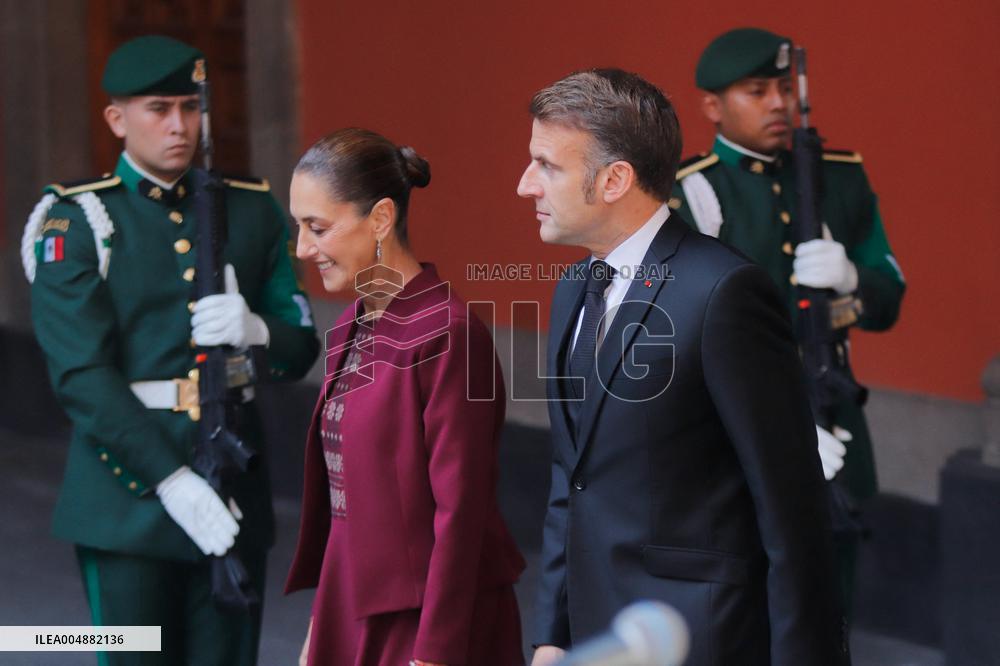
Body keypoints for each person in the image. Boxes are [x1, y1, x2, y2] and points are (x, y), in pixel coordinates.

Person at [517, 69, 849, 666]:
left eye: (548, 165)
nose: (525, 185)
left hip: (703, 639)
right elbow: (572, 481)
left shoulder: (724, 292)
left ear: (615, 179)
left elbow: (792, 510)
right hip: (597, 640)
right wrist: (552, 633)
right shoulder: (572, 288)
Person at [22, 35, 319, 665]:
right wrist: (171, 479)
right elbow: (81, 374)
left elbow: (299, 348)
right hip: (125, 500)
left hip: (233, 483)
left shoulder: (247, 206)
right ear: (117, 119)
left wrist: (257, 330)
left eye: (190, 107)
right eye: (159, 109)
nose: (180, 126)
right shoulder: (78, 219)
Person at [670, 27, 906, 610]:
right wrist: (778, 432)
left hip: (834, 418)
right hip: (730, 436)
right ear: (712, 106)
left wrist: (853, 278)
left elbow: (890, 296)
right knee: (743, 610)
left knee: (830, 605)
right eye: (755, 90)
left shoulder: (840, 174)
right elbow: (681, 337)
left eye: (782, 87)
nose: (778, 103)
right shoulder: (691, 192)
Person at [284, 128, 526, 666]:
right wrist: (321, 621)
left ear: (381, 218)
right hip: (353, 601)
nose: (303, 248)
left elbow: (460, 512)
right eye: (299, 228)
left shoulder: (449, 333)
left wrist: (434, 654)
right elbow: (345, 496)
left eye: (317, 227)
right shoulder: (353, 321)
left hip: (429, 622)